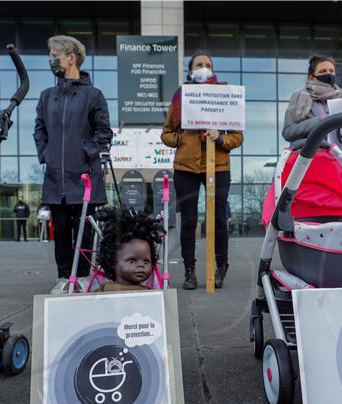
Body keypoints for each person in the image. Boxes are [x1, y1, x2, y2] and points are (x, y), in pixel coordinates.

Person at [34, 35, 112, 294]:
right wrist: (46, 154)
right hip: (56, 177)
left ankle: (80, 277)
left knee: (84, 231)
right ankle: (63, 276)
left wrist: (84, 152)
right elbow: (39, 129)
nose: (51, 60)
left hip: (84, 176)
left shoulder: (93, 95)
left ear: (71, 57)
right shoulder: (47, 96)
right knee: (62, 230)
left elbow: (104, 133)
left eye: (54, 55)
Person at [161, 51, 243, 290]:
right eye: (199, 65)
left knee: (218, 219)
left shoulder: (226, 98)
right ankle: (189, 271)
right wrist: (180, 139)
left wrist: (220, 139)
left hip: (218, 167)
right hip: (186, 167)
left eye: (208, 64)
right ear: (190, 71)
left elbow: (237, 137)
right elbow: (165, 133)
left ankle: (221, 267)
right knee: (188, 221)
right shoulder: (179, 98)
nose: (204, 68)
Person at [92, 207, 164, 292]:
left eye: (146, 262)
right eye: (132, 261)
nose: (141, 265)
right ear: (113, 261)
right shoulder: (105, 290)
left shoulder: (150, 294)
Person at [282, 54, 342, 143]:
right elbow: (288, 133)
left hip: (339, 153)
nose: (328, 74)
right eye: (323, 71)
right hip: (310, 153)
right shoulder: (298, 96)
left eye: (331, 71)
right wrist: (319, 121)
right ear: (312, 77)